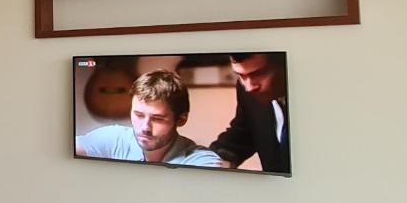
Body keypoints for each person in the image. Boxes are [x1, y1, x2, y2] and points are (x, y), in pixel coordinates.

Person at [75, 69, 226, 168]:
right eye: (138, 115)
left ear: (181, 119)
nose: (145, 128)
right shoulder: (115, 138)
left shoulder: (202, 161)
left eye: (158, 119)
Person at [210, 52, 290, 174]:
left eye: (258, 74)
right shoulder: (246, 89)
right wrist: (210, 161)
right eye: (241, 75)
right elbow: (244, 133)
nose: (249, 87)